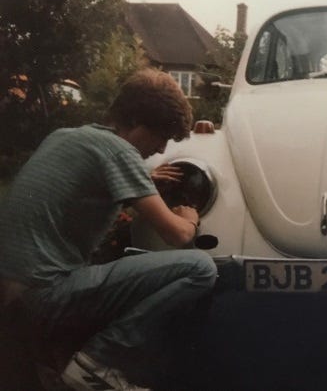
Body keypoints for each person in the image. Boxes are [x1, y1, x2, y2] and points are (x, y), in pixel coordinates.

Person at [0, 68, 218, 390]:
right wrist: (189, 218)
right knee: (201, 268)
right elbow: (178, 235)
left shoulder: (66, 136)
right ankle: (97, 361)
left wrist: (141, 180)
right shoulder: (120, 152)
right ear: (137, 124)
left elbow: (83, 190)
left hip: (13, 300)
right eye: (162, 136)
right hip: (44, 299)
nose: (161, 150)